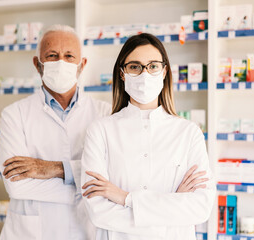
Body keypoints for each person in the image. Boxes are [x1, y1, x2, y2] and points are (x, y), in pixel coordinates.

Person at [81, 33, 216, 240]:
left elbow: (200, 208)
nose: (144, 73)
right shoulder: (100, 131)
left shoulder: (189, 133)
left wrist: (125, 198)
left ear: (164, 72)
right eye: (135, 66)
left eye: (153, 66)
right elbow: (98, 212)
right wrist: (170, 211)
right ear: (122, 73)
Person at [0, 25, 112, 240]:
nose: (61, 62)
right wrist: (86, 187)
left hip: (84, 231)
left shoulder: (105, 113)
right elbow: (17, 187)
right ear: (37, 64)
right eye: (52, 55)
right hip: (30, 233)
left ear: (82, 64)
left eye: (69, 56)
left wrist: (50, 168)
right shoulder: (14, 115)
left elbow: (112, 174)